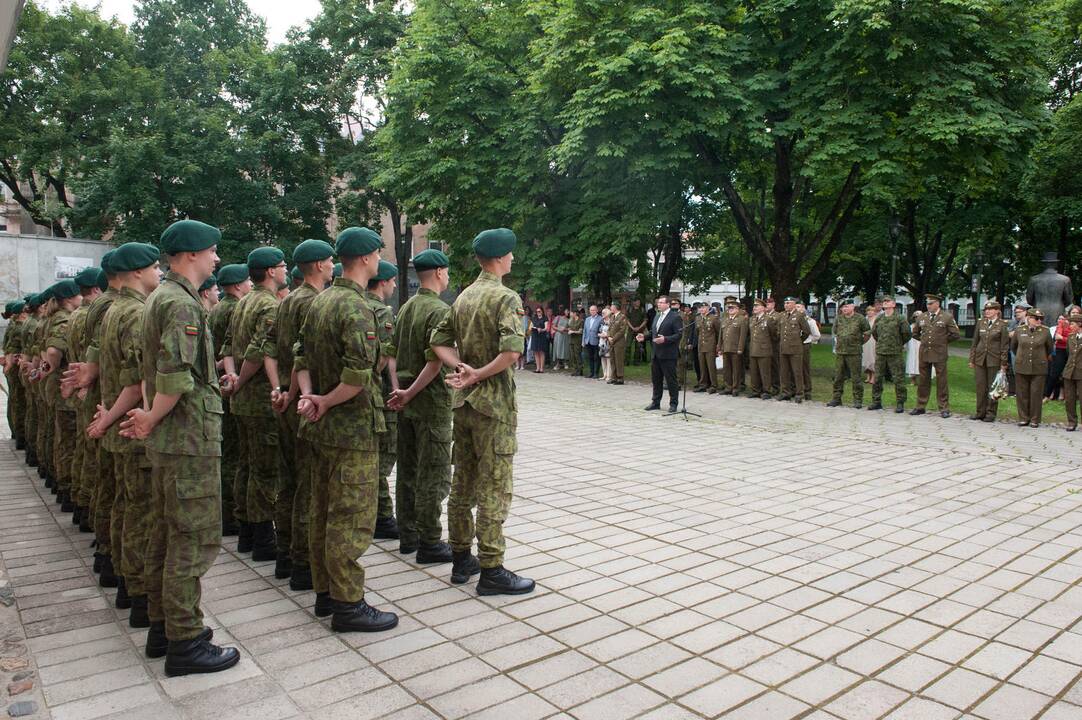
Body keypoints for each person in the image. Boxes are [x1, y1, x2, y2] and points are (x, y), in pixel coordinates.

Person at [118, 219, 240, 676]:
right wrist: (151, 416)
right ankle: (185, 643)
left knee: (167, 534)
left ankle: (163, 627)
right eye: (211, 252)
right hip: (188, 438)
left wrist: (151, 418)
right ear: (190, 254)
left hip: (175, 439)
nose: (215, 259)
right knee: (192, 539)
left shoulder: (160, 299)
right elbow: (173, 375)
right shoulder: (181, 305)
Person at [293, 226, 400, 630]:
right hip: (350, 428)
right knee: (350, 516)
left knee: (322, 512)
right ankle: (348, 604)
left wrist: (309, 396)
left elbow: (299, 356)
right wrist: (323, 400)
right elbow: (357, 377)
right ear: (369, 257)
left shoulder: (319, 302)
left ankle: (326, 593)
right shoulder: (356, 308)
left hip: (321, 427)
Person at [429, 227, 534, 595]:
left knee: (464, 483)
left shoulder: (463, 298)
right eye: (511, 254)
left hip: (465, 405)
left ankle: (461, 559)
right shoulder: (505, 297)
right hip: (493, 406)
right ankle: (492, 569)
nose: (513, 259)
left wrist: (462, 368)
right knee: (494, 486)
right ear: (501, 258)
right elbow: (512, 352)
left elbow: (437, 342)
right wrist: (476, 374)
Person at [87, 242, 162, 627]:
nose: (158, 272)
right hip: (132, 427)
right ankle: (141, 596)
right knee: (142, 515)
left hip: (119, 425)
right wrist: (112, 416)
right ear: (136, 272)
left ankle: (124, 582)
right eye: (153, 267)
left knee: (126, 507)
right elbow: (136, 381)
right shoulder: (134, 313)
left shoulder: (113, 309)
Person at [267, 239, 336, 591]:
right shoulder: (313, 301)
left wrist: (279, 391)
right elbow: (300, 356)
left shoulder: (287, 300)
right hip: (303, 404)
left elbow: (266, 348)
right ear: (321, 266)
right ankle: (303, 563)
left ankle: (286, 555)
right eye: (329, 261)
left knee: (290, 481)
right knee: (308, 487)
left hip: (287, 399)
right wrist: (294, 394)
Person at [386, 249, 454, 564]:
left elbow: (391, 353)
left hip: (408, 403)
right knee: (434, 473)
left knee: (408, 470)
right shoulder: (439, 310)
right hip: (429, 403)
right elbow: (435, 362)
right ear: (440, 272)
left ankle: (408, 535)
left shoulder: (406, 307)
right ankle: (429, 541)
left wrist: (400, 390)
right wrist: (410, 392)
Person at [221, 247, 288, 562]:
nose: (286, 270)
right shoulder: (268, 305)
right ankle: (263, 538)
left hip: (242, 402)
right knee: (264, 471)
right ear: (272, 272)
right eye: (282, 265)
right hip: (260, 401)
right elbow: (257, 351)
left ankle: (247, 531)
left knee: (246, 466)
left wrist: (233, 377)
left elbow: (228, 347)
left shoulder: (243, 302)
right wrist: (242, 380)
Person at [206, 264, 249, 537]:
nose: (250, 285)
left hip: (223, 381)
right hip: (232, 382)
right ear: (235, 286)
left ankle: (228, 511)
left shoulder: (217, 309)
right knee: (235, 454)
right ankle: (231, 513)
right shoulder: (234, 309)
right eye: (246, 282)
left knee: (230, 452)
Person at [365, 260, 402, 541]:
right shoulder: (381, 311)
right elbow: (386, 356)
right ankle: (382, 517)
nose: (393, 286)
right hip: (379, 394)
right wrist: (397, 389)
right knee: (383, 459)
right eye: (392, 281)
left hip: (364, 393)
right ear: (383, 282)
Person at [911, 293, 960, 418]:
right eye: (927, 303)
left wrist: (942, 342)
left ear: (937, 304)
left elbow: (955, 334)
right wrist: (924, 341)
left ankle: (944, 408)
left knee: (941, 380)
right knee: (923, 380)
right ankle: (920, 406)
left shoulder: (947, 317)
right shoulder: (922, 317)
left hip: (939, 353)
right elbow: (915, 333)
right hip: (925, 352)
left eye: (930, 303)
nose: (928, 306)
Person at [640, 295, 683, 413]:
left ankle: (673, 403)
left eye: (661, 302)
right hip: (656, 353)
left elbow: (678, 335)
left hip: (668, 354)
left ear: (668, 304)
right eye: (658, 303)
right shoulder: (657, 316)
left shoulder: (675, 317)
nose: (658, 304)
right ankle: (655, 402)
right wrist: (644, 336)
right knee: (656, 380)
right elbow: (653, 332)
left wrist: (665, 339)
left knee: (671, 380)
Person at [968, 300, 1009, 422]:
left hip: (994, 359)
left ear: (997, 311)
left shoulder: (1002, 325)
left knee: (992, 387)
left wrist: (1003, 363)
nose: (987, 311)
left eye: (990, 309)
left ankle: (991, 412)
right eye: (986, 310)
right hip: (980, 358)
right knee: (980, 386)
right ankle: (980, 411)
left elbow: (1004, 345)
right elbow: (975, 342)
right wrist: (972, 359)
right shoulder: (981, 323)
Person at [1012, 308, 1053, 427]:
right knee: (1022, 393)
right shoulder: (1019, 330)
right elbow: (1014, 346)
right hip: (1022, 365)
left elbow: (1050, 348)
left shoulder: (1045, 331)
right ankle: (1023, 418)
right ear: (1029, 318)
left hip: (1038, 367)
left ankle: (1035, 419)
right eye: (1036, 318)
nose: (1039, 321)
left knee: (1036, 394)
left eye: (1041, 319)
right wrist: (1021, 357)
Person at [869, 297, 911, 413]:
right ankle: (876, 401)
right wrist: (882, 342)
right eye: (884, 302)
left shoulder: (900, 318)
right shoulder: (880, 318)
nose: (885, 303)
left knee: (898, 379)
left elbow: (906, 334)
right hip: (881, 352)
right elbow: (874, 333)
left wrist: (897, 343)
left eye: (888, 301)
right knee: (877, 378)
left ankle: (900, 403)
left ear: (893, 304)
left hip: (895, 352)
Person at [828, 299, 870, 409]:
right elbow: (835, 331)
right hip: (841, 351)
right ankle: (836, 398)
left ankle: (857, 400)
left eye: (846, 307)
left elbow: (867, 333)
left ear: (852, 307)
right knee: (838, 376)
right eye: (843, 307)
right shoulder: (839, 318)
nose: (844, 309)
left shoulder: (860, 318)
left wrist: (859, 343)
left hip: (854, 352)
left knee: (856, 377)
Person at [777, 297, 810, 403]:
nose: (786, 305)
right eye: (785, 303)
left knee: (797, 372)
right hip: (784, 348)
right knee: (784, 372)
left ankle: (799, 393)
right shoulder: (782, 315)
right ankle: (785, 392)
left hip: (795, 348)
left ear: (794, 304)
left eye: (788, 303)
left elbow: (806, 331)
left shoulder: (800, 316)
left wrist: (798, 341)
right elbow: (779, 330)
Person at [747, 299, 776, 399]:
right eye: (754, 306)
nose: (754, 308)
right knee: (754, 372)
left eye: (757, 306)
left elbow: (774, 335)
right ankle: (755, 390)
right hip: (753, 349)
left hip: (764, 350)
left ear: (764, 308)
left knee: (765, 372)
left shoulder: (769, 319)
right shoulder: (752, 319)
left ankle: (766, 391)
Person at [719, 300, 748, 395]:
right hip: (725, 348)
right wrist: (719, 347)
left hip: (735, 348)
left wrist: (740, 348)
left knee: (736, 369)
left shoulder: (742, 319)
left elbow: (743, 336)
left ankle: (736, 388)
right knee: (726, 369)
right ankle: (728, 387)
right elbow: (721, 335)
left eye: (733, 308)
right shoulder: (725, 319)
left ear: (737, 309)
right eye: (729, 308)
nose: (730, 310)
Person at [693, 303, 720, 393]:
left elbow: (718, 332)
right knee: (702, 366)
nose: (701, 309)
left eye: (704, 307)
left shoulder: (713, 318)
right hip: (701, 345)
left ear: (708, 308)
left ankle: (714, 385)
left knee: (711, 366)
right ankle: (703, 384)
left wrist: (717, 345)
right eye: (700, 308)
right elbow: (698, 332)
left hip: (710, 345)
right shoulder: (698, 318)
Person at [1062, 312, 1082, 431]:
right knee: (1069, 398)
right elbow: (1069, 354)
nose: (1070, 326)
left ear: (1080, 324)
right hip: (1070, 371)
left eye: (1073, 324)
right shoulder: (1071, 337)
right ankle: (1071, 421)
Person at [797, 302, 820, 400]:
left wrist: (809, 341)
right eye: (796, 307)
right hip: (794, 345)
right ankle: (796, 388)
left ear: (803, 309)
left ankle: (807, 390)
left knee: (804, 368)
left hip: (804, 345)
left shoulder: (809, 321)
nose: (797, 309)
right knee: (795, 368)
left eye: (799, 307)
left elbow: (817, 335)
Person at [1045, 312, 1070, 400]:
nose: (1061, 321)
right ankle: (1047, 395)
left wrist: (1064, 339)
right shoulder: (1058, 326)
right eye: (1059, 319)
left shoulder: (1073, 326)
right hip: (1059, 350)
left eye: (1063, 319)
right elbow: (1057, 337)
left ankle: (1066, 396)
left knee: (1068, 374)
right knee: (1054, 373)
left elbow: (1073, 340)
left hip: (1070, 351)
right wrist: (1067, 339)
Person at [608, 302, 628, 385]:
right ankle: (614, 377)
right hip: (611, 341)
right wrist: (609, 336)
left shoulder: (622, 317)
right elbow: (609, 328)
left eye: (612, 306)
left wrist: (613, 338)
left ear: (616, 307)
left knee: (618, 360)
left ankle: (620, 378)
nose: (610, 308)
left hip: (619, 342)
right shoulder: (612, 317)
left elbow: (622, 331)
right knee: (612, 359)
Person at [582, 304, 602, 378]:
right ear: (589, 311)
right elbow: (585, 330)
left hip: (596, 340)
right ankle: (591, 372)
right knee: (590, 357)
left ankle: (596, 373)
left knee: (596, 357)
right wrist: (583, 341)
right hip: (588, 340)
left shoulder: (600, 319)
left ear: (596, 311)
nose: (592, 311)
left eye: (594, 310)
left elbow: (601, 329)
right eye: (591, 310)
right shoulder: (587, 319)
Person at [627, 298, 647, 364]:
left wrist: (639, 327)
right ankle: (626, 361)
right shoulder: (629, 309)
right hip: (630, 330)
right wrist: (632, 327)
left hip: (640, 331)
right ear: (634, 302)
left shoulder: (642, 310)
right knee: (628, 345)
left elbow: (645, 320)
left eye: (639, 302)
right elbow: (627, 320)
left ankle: (636, 361)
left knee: (638, 346)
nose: (639, 303)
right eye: (637, 301)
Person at [862, 305, 878, 384]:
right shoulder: (865, 320)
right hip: (865, 341)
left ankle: (873, 377)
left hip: (874, 340)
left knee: (873, 357)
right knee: (866, 357)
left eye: (872, 311)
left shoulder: (877, 320)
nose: (870, 312)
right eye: (868, 311)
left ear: (874, 312)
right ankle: (868, 375)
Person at [530, 305, 549, 373]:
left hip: (541, 336)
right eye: (537, 311)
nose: (538, 313)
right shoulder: (534, 318)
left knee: (541, 351)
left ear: (542, 311)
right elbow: (530, 326)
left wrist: (541, 329)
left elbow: (546, 328)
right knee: (535, 352)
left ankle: (541, 368)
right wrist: (533, 328)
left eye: (539, 311)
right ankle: (537, 368)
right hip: (535, 336)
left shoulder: (545, 318)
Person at [567, 309, 584, 375]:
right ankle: (575, 369)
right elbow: (568, 327)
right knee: (572, 355)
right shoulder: (571, 320)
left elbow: (580, 331)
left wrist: (573, 331)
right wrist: (569, 329)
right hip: (571, 340)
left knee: (577, 355)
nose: (570, 314)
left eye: (571, 313)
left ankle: (580, 369)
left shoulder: (581, 321)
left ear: (575, 313)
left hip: (577, 340)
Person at [598, 307, 613, 382]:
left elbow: (612, 332)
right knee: (602, 358)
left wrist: (606, 336)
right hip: (602, 342)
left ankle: (609, 375)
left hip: (608, 342)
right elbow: (598, 330)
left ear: (608, 314)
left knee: (608, 358)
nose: (602, 314)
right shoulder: (601, 321)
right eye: (602, 313)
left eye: (604, 313)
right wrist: (599, 335)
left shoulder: (611, 321)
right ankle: (604, 374)